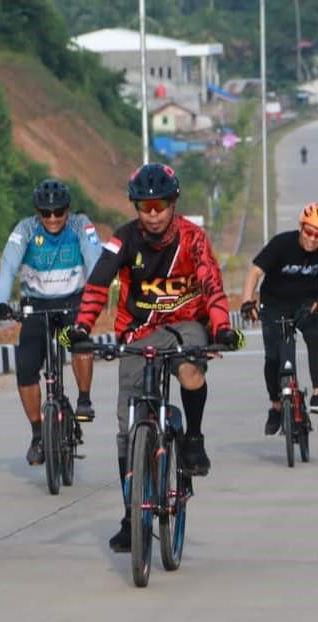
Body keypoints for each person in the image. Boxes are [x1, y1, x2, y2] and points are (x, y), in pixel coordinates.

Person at [61, 163, 242, 553]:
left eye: (160, 205)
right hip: (137, 332)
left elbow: (211, 285)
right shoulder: (122, 240)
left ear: (173, 203)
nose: (153, 214)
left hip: (185, 325)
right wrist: (81, 328)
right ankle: (131, 518)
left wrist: (222, 327)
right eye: (145, 207)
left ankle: (192, 439)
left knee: (191, 373)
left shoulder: (194, 239)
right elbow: (97, 283)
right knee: (128, 429)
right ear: (136, 208)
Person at [0, 179, 102, 466]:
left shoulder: (81, 225)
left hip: (73, 303)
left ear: (68, 210)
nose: (53, 219)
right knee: (27, 367)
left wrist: (94, 298)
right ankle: (38, 434)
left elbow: (95, 261)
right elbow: (8, 266)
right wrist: (1, 302)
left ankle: (84, 399)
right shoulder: (25, 229)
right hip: (36, 306)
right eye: (46, 213)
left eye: (59, 212)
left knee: (78, 343)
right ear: (37, 212)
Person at [241, 202, 318, 433]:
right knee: (273, 356)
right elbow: (255, 271)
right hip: (274, 304)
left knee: (316, 338)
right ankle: (276, 407)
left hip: (308, 304)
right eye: (309, 232)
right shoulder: (282, 243)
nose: (313, 239)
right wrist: (248, 301)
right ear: (301, 227)